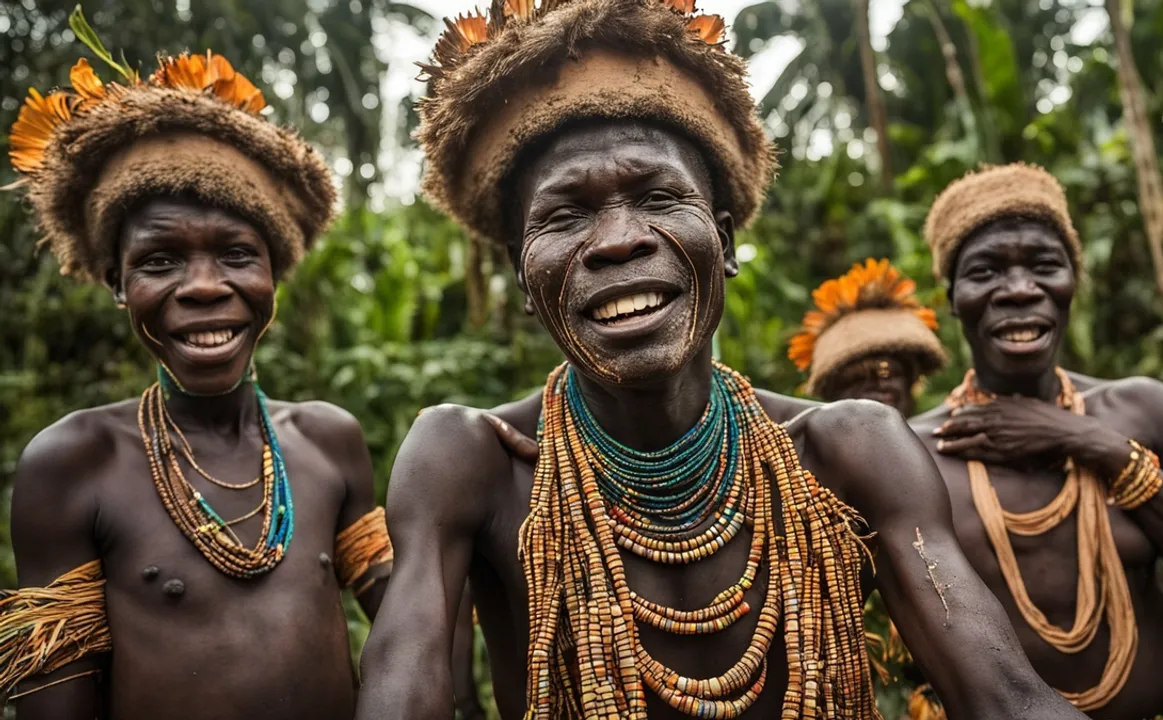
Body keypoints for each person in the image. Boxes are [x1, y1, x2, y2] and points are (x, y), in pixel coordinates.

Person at [357, 2, 1086, 718]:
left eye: (656, 195)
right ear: (523, 274)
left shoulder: (847, 453)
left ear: (727, 242)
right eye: (566, 213)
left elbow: (1006, 698)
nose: (617, 240)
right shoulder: (473, 462)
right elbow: (405, 687)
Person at [1, 50, 395, 719]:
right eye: (160, 261)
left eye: (238, 254)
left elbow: (412, 624)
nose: (207, 287)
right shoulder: (73, 463)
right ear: (118, 285)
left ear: (275, 272)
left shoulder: (330, 441)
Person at [908, 162, 1163, 719]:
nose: (1019, 290)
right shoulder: (914, 452)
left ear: (1071, 282)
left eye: (1044, 266)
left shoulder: (1142, 413)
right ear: (953, 296)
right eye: (985, 271)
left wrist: (1099, 447)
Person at [788, 258, 946, 415]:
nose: (878, 385)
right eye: (858, 377)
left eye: (887, 372)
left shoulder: (943, 434)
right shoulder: (799, 438)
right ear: (833, 390)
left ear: (910, 381)